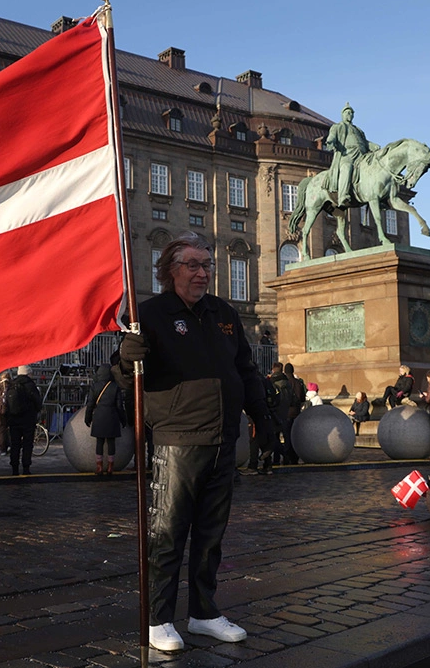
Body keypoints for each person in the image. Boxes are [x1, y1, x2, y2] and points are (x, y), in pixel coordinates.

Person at [115, 232, 272, 653]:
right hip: (177, 439)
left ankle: (203, 612)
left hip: (223, 438)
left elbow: (246, 368)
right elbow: (122, 376)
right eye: (193, 265)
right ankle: (158, 618)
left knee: (210, 533)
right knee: (168, 532)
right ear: (170, 271)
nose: (202, 273)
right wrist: (125, 357)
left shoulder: (223, 312)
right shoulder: (150, 313)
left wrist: (262, 415)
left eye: (207, 266)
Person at [323, 103, 381, 208]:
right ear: (343, 114)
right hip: (347, 155)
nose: (349, 115)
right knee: (346, 168)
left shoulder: (358, 130)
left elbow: (365, 142)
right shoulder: (338, 126)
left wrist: (372, 145)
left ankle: (378, 196)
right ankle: (342, 195)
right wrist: (330, 141)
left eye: (351, 113)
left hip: (362, 156)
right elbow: (332, 136)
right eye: (347, 112)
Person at [84, 359, 125, 476]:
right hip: (112, 417)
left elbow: (90, 403)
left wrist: (88, 418)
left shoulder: (95, 386)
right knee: (111, 443)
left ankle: (99, 466)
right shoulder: (115, 386)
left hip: (99, 417)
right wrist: (123, 420)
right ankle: (111, 466)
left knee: (99, 442)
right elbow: (119, 406)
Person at [0, 365, 42, 476]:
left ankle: (14, 468)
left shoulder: (11, 384)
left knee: (15, 444)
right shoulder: (30, 385)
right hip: (28, 420)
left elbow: (7, 403)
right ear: (28, 373)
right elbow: (38, 402)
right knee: (27, 444)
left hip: (14, 420)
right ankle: (26, 467)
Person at [268, 363, 292, 465]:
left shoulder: (272, 382)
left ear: (273, 369)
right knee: (285, 436)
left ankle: (279, 456)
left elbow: (270, 398)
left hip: (275, 412)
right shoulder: (287, 383)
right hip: (285, 411)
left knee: (274, 437)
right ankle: (283, 457)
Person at [283, 363, 306, 464]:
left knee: (287, 436)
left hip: (286, 412)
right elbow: (302, 398)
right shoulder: (298, 383)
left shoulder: (284, 382)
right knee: (295, 435)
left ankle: (287, 457)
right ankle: (294, 457)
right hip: (296, 412)